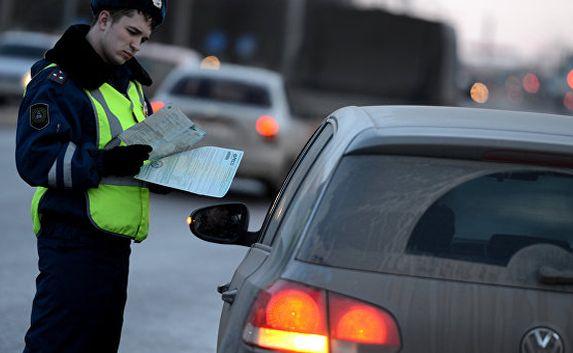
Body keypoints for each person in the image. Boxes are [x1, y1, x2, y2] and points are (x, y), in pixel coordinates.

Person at [15, 1, 167, 352]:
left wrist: (162, 172)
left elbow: (132, 155)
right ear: (102, 20)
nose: (136, 46)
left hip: (114, 246)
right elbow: (36, 159)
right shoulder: (57, 81)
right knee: (56, 345)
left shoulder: (130, 85)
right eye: (131, 32)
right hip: (72, 239)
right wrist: (105, 163)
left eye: (143, 39)